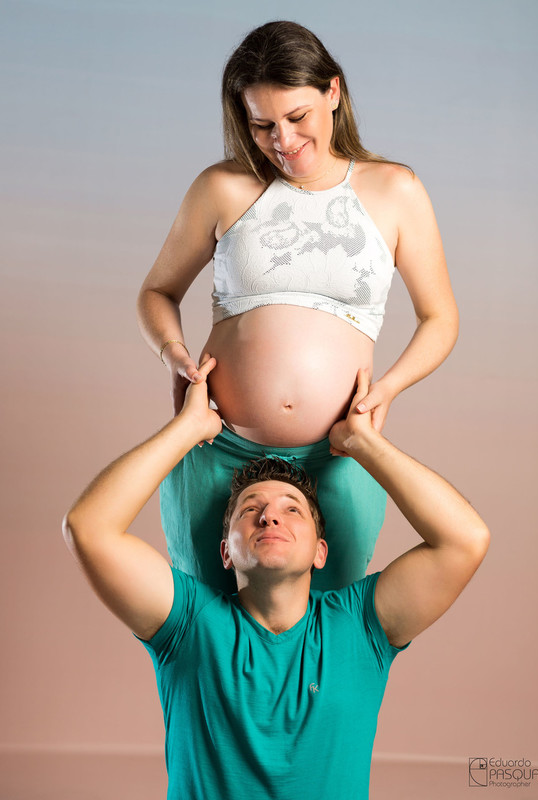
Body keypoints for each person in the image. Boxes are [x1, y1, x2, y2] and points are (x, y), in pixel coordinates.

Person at [63, 358, 489, 800]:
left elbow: (466, 540)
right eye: (250, 510)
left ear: (320, 551)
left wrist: (365, 444)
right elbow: (88, 528)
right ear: (225, 552)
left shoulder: (359, 629)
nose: (269, 516)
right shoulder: (189, 625)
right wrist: (187, 428)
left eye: (292, 509)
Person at [137, 21, 459, 592]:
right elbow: (157, 291)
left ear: (333, 92)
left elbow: (441, 319)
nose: (283, 141)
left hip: (340, 450)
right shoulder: (222, 187)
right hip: (216, 447)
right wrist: (173, 356)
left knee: (329, 626)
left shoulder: (396, 190)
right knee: (204, 621)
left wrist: (386, 389)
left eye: (296, 118)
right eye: (262, 125)